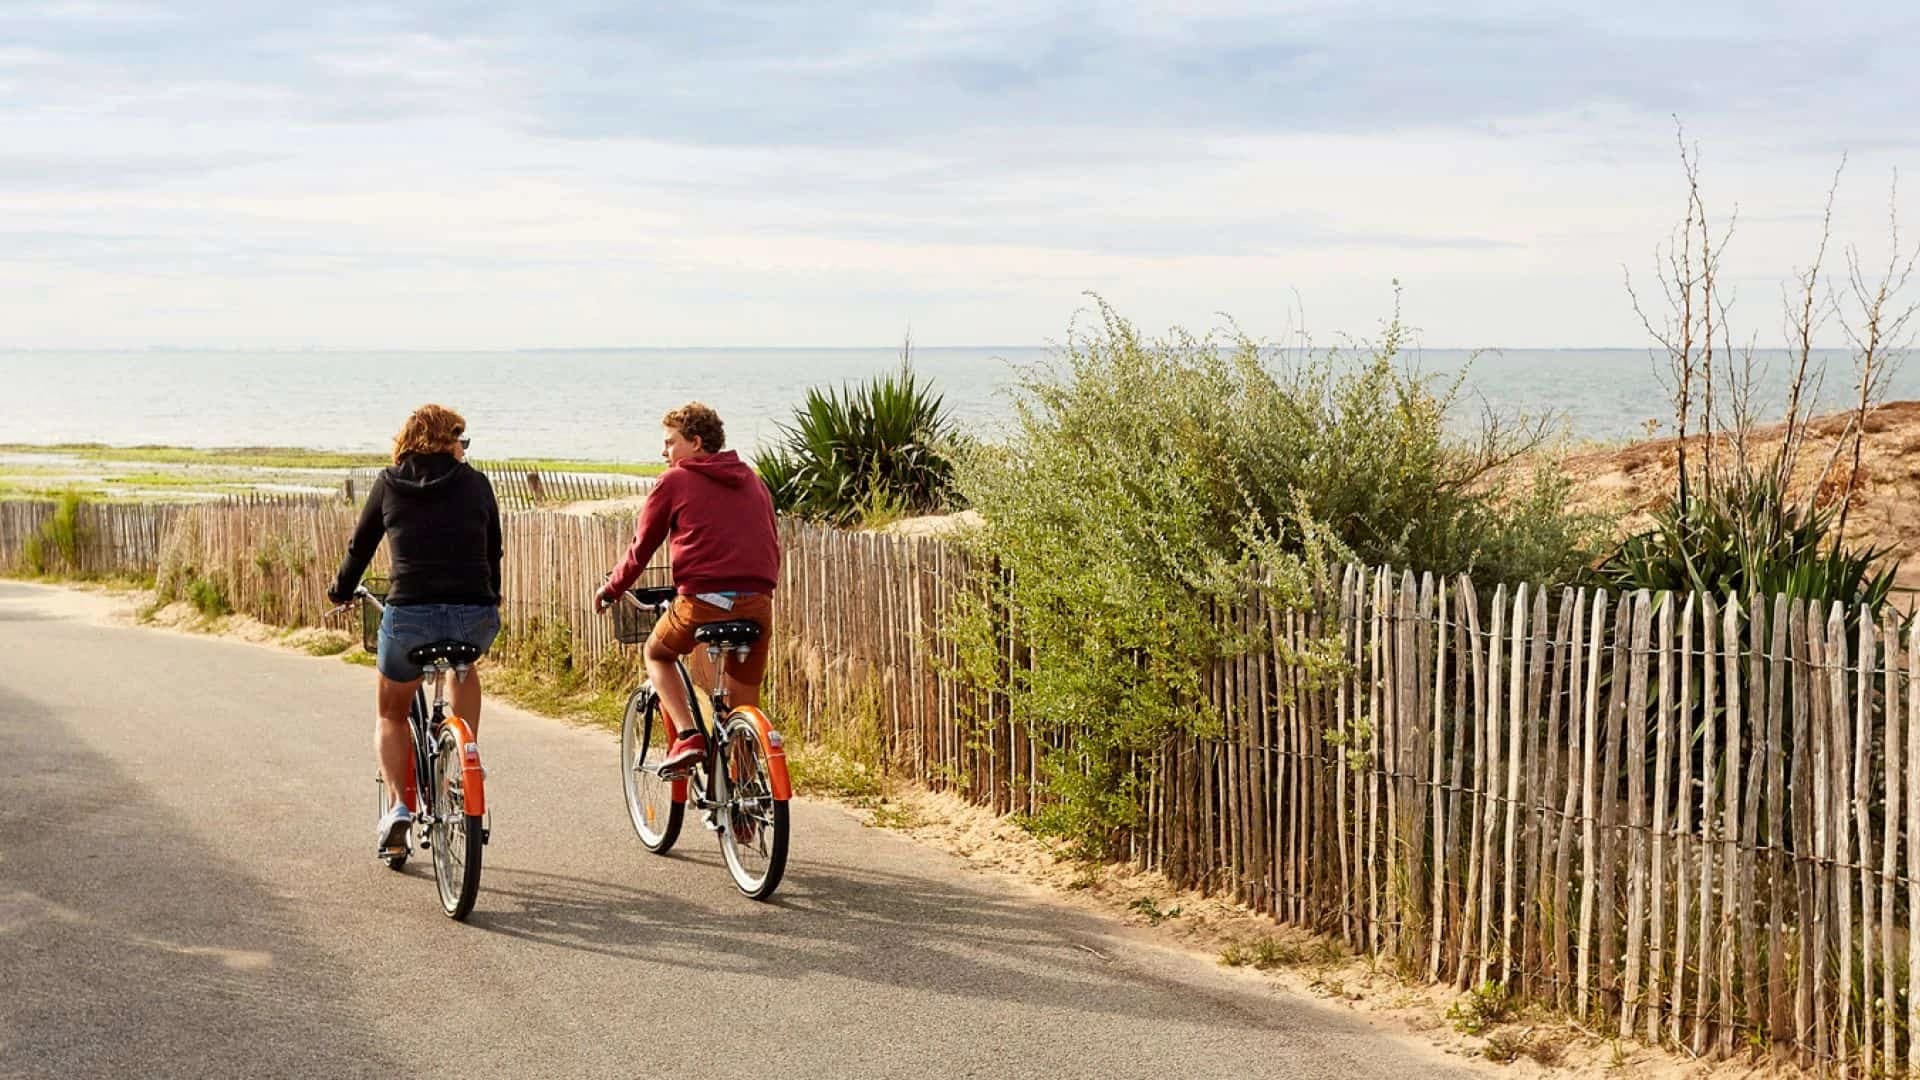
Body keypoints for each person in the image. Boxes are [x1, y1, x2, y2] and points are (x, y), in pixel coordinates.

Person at [327, 404, 503, 857]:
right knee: (462, 666)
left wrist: (341, 590)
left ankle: (398, 807)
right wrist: (489, 596)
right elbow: (493, 550)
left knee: (391, 713)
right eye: (460, 439)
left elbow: (360, 547)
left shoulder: (389, 483)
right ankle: (466, 764)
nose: (464, 448)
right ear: (447, 440)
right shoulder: (477, 483)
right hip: (474, 616)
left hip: (410, 617)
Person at [596, 402, 779, 773]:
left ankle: (687, 735)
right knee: (742, 709)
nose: (664, 452)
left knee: (657, 654)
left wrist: (612, 589)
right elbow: (770, 540)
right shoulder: (752, 478)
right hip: (757, 604)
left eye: (670, 443)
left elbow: (641, 548)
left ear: (695, 442)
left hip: (702, 603)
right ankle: (743, 813)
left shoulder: (675, 480)